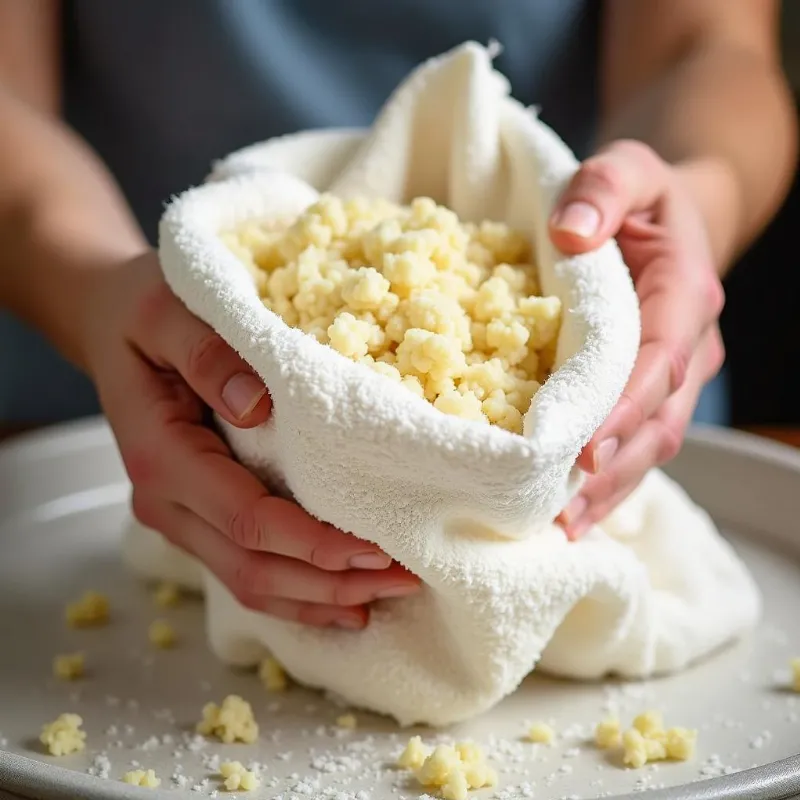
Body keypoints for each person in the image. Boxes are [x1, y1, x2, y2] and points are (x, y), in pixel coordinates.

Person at [0, 1, 795, 629]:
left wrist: (696, 196)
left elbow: (710, 44)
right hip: (92, 423)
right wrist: (86, 278)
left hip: (630, 443)